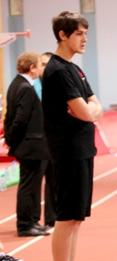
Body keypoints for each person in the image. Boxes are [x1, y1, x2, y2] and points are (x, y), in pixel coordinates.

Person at [43, 11, 105, 261]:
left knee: (76, 219)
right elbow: (85, 111)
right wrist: (89, 110)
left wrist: (90, 109)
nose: (84, 39)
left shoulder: (75, 69)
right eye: (78, 34)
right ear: (63, 35)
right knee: (66, 219)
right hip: (67, 152)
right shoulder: (57, 70)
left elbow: (94, 105)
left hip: (82, 150)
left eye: (86, 34)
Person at [4, 52, 51, 237]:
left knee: (32, 185)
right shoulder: (25, 88)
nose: (41, 68)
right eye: (40, 65)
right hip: (31, 145)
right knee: (29, 186)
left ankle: (32, 220)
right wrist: (12, 141)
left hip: (30, 144)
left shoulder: (16, 84)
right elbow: (20, 120)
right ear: (31, 67)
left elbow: (12, 117)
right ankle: (25, 224)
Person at [35, 51, 56, 230]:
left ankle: (52, 217)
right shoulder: (34, 86)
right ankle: (31, 221)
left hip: (54, 140)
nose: (43, 67)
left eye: (46, 64)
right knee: (36, 181)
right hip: (38, 141)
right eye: (40, 64)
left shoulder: (56, 84)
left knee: (54, 180)